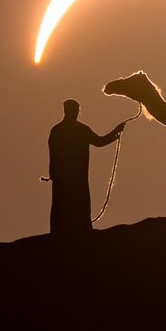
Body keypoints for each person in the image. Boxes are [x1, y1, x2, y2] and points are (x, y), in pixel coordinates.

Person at [47, 99, 126, 235]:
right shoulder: (79, 130)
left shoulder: (58, 130)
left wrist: (115, 132)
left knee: (65, 205)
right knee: (75, 204)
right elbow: (100, 142)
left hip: (64, 178)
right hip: (75, 178)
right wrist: (115, 132)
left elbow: (99, 142)